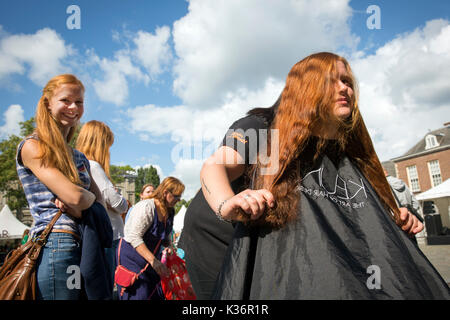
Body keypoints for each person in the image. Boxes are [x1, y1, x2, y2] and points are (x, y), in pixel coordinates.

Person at [197, 52, 449, 299]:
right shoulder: (262, 127)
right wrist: (226, 204)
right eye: (332, 81)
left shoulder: (345, 151)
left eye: (347, 82)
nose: (344, 88)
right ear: (307, 87)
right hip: (218, 235)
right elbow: (214, 166)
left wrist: (392, 219)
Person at [16, 74, 104, 300]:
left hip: (86, 244)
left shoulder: (80, 157)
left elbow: (98, 203)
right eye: (65, 100)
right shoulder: (33, 146)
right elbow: (76, 197)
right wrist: (81, 200)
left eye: (79, 102)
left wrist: (81, 202)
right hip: (58, 242)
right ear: (48, 104)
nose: (73, 107)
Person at [76, 120, 129, 295]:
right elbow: (118, 204)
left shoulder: (82, 165)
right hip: (109, 236)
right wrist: (121, 199)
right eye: (107, 145)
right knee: (105, 288)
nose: (108, 151)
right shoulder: (94, 166)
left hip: (97, 236)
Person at [117, 177, 184, 300]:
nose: (178, 200)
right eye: (176, 196)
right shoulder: (146, 207)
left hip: (151, 259)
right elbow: (134, 237)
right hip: (132, 257)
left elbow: (166, 235)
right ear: (165, 193)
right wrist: (154, 261)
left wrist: (169, 247)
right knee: (139, 294)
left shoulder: (170, 211)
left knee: (154, 294)